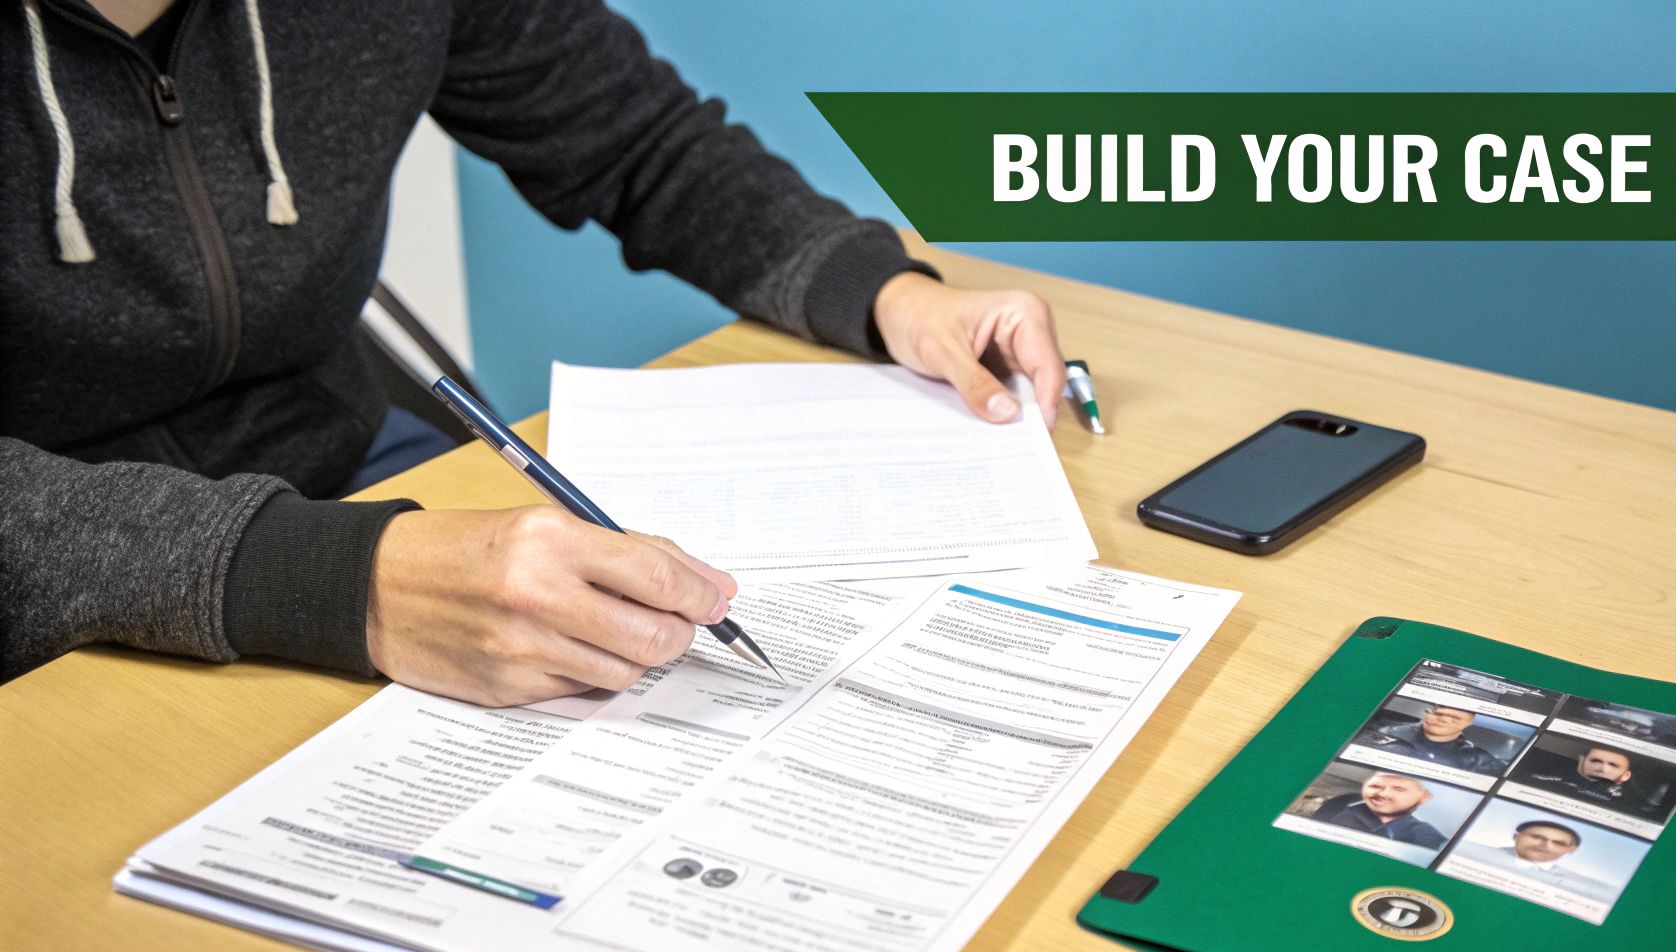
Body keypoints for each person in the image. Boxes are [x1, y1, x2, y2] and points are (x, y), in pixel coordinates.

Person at [0, 0, 1070, 703]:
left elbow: (639, 141)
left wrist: (875, 290)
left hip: (338, 466)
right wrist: (330, 578)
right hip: (56, 575)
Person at [1452, 820, 1619, 903]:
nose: (1546, 845)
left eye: (1558, 843)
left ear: (1571, 849)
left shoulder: (1591, 888)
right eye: (1537, 837)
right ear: (1516, 837)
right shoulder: (1463, 850)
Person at [1308, 771, 1447, 849]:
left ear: (1423, 797)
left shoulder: (1423, 834)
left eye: (1398, 789)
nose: (1383, 794)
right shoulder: (1345, 803)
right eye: (1375, 786)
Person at [1359, 705, 1509, 774]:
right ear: (1428, 712)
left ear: (1468, 725)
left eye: (1454, 718)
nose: (1442, 720)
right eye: (1438, 713)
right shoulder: (1383, 729)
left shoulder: (1478, 759)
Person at [1518, 745, 1643, 813]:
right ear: (1583, 761)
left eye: (1613, 765)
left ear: (1626, 775)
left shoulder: (1631, 803)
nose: (1603, 769)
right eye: (1596, 761)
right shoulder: (1559, 778)